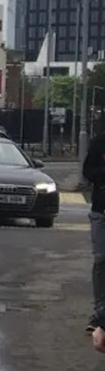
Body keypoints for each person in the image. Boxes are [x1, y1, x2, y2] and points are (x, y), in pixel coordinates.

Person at [79, 131, 105, 352]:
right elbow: (88, 171)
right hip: (101, 213)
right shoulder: (100, 142)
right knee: (101, 259)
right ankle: (99, 313)